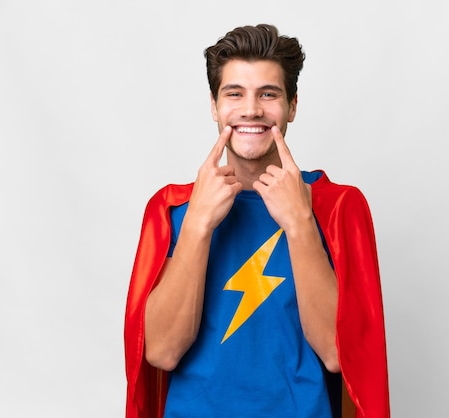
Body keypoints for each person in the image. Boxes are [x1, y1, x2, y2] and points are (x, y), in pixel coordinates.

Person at [124, 24, 390, 418]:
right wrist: (197, 225)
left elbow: (339, 355)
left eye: (269, 93)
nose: (251, 109)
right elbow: (162, 352)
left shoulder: (337, 207)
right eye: (235, 94)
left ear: (293, 106)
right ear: (214, 106)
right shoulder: (173, 210)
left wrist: (299, 223)